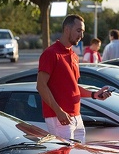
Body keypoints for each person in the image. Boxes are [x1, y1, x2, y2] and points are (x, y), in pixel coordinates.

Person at [36, 14, 112, 143]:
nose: (81, 36)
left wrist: (94, 94)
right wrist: (59, 111)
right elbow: (41, 86)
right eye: (78, 31)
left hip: (77, 117)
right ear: (66, 29)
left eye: (82, 32)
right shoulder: (51, 53)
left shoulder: (73, 55)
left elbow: (73, 87)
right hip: (59, 118)